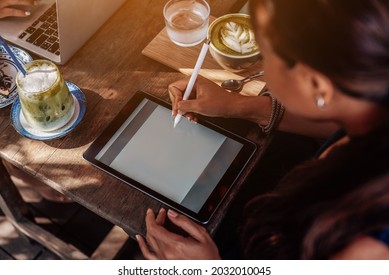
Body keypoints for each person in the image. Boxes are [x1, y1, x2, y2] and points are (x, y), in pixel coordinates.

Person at [136, 0, 389, 259]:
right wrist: (239, 106)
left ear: (316, 84)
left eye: (265, 56)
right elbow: (339, 120)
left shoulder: (369, 250)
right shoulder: (373, 107)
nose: (262, 67)